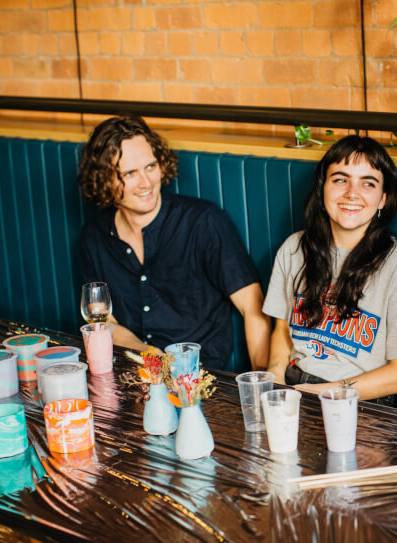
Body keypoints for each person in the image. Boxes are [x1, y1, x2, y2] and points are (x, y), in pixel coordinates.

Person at [78, 115, 270, 370]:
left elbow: (254, 309)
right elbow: (103, 323)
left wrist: (263, 389)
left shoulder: (203, 222)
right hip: (131, 372)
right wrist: (149, 355)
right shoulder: (95, 236)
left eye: (150, 166)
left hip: (202, 379)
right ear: (105, 179)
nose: (146, 183)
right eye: (130, 174)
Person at [264, 135, 397, 402]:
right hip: (296, 388)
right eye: (340, 179)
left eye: (367, 184)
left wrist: (326, 392)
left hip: (360, 399)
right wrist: (275, 386)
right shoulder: (294, 248)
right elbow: (281, 332)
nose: (351, 193)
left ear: (383, 199)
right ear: (323, 188)